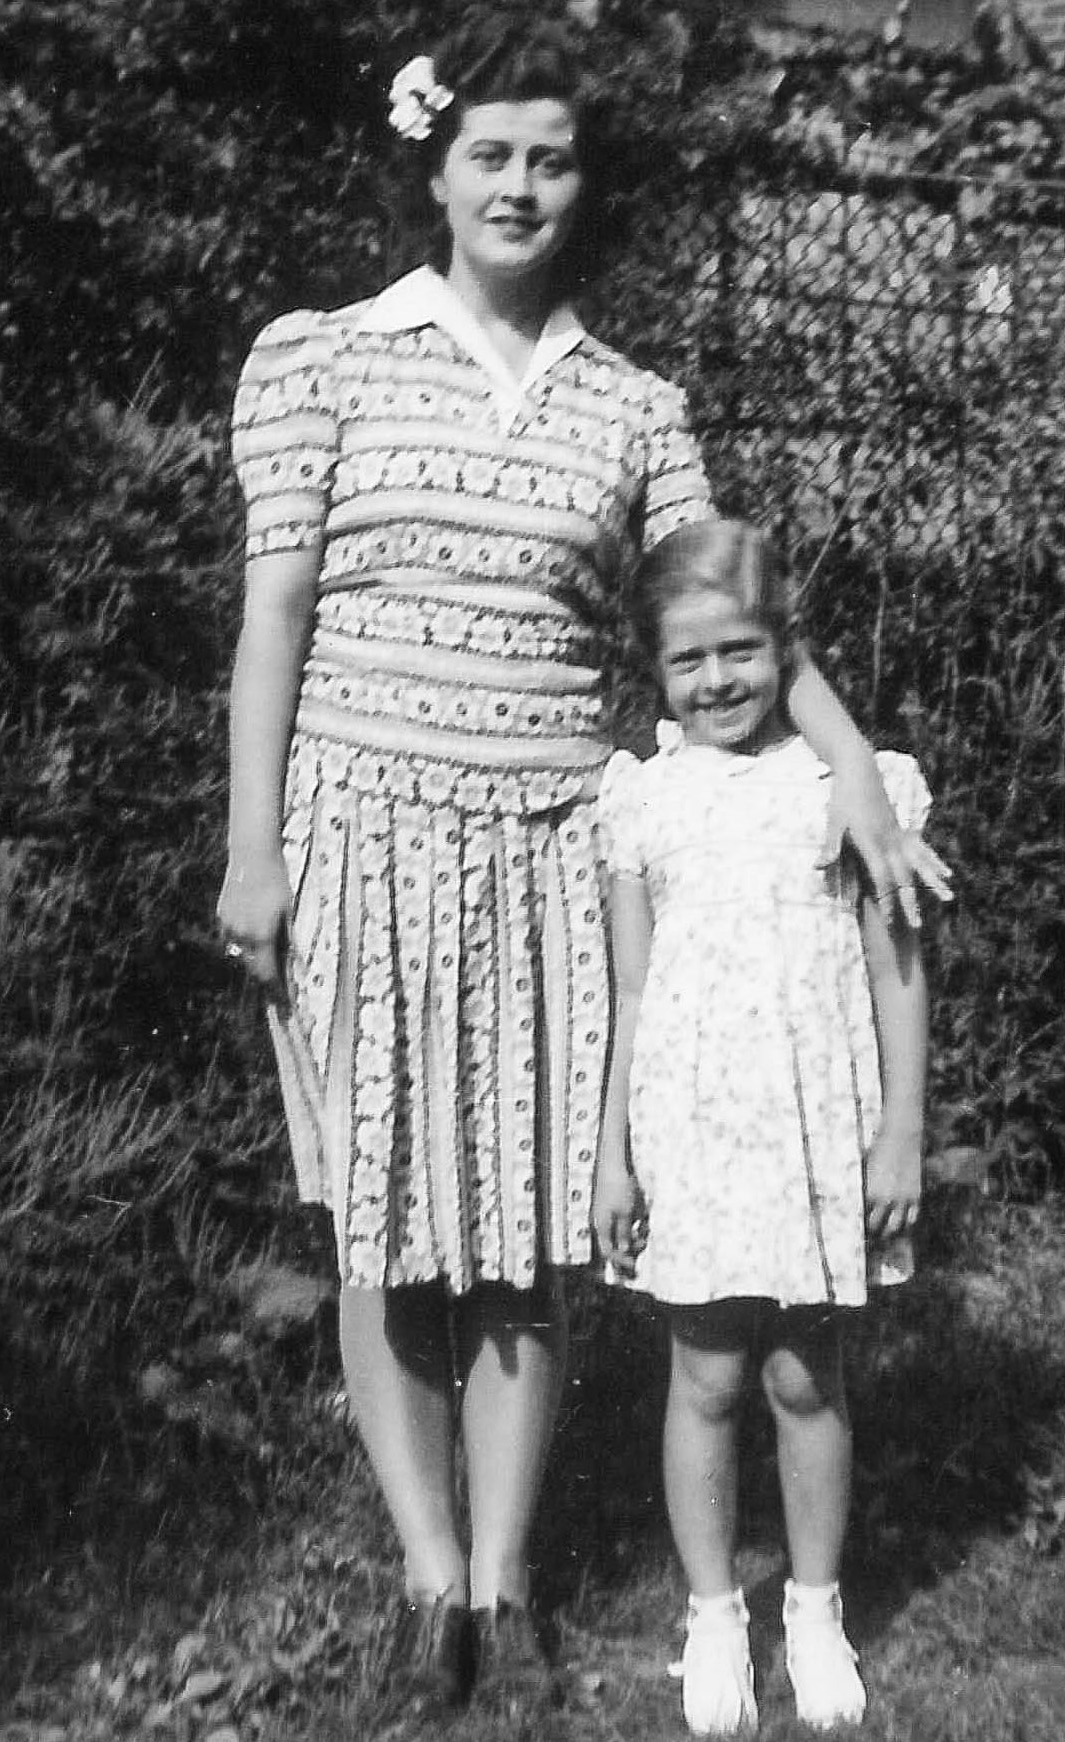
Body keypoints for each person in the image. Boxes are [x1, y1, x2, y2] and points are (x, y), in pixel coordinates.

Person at [218, 13, 948, 1722]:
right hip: (360, 839)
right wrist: (252, 846)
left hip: (552, 843)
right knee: (388, 1229)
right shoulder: (318, 355)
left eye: (550, 157)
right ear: (436, 165)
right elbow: (271, 619)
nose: (521, 184)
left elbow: (717, 599)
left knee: (525, 1237)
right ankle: (420, 1584)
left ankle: (508, 1577)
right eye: (491, 154)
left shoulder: (632, 404)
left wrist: (849, 768)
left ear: (579, 179)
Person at [592, 519, 934, 1736]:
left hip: (808, 1134)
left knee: (803, 1373)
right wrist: (608, 1154)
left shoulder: (850, 789)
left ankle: (813, 1607)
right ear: (655, 670)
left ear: (784, 650)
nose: (716, 680)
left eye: (740, 651)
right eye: (688, 661)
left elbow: (897, 968)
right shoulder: (639, 799)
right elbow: (629, 992)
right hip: (688, 1134)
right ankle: (711, 1614)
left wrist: (902, 1126)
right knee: (707, 1374)